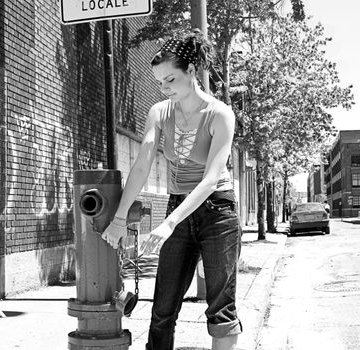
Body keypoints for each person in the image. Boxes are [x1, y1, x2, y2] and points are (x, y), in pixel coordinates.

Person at [101, 30, 242, 350]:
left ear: (192, 72)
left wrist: (168, 224)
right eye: (159, 82)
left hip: (218, 211)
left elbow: (210, 179)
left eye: (170, 80)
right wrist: (120, 218)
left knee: (220, 310)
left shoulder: (220, 114)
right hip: (178, 204)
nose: (164, 89)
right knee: (163, 309)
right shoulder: (160, 112)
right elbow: (141, 165)